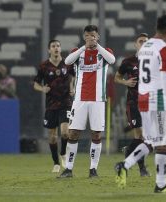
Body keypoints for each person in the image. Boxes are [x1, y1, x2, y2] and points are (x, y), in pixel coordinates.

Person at [115, 15, 166, 194]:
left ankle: (125, 165)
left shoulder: (146, 47)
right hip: (158, 99)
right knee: (163, 143)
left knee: (151, 141)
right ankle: (160, 185)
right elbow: (165, 78)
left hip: (143, 99)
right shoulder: (165, 48)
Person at [58, 25, 115, 178]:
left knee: (96, 134)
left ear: (98, 37)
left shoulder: (104, 52)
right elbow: (68, 61)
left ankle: (93, 169)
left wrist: (97, 46)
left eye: (94, 36)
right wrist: (84, 47)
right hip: (79, 100)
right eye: (88, 36)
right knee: (73, 133)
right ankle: (69, 169)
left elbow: (113, 60)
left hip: (98, 100)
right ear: (84, 37)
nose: (91, 38)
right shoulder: (78, 53)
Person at [34, 39, 74, 173]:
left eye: (58, 46)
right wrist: (42, 89)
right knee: (52, 136)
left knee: (65, 132)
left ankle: (63, 153)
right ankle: (56, 163)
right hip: (51, 105)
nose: (56, 48)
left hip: (65, 102)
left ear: (60, 49)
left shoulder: (67, 64)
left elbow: (73, 76)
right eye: (53, 46)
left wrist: (72, 87)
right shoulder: (44, 66)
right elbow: (36, 84)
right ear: (49, 50)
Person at [114, 33, 150, 177]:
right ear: (135, 44)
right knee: (140, 135)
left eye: (146, 42)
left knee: (144, 138)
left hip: (149, 104)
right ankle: (142, 169)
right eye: (141, 41)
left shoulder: (153, 61)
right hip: (133, 102)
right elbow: (117, 77)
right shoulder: (128, 61)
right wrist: (126, 82)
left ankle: (129, 151)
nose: (143, 43)